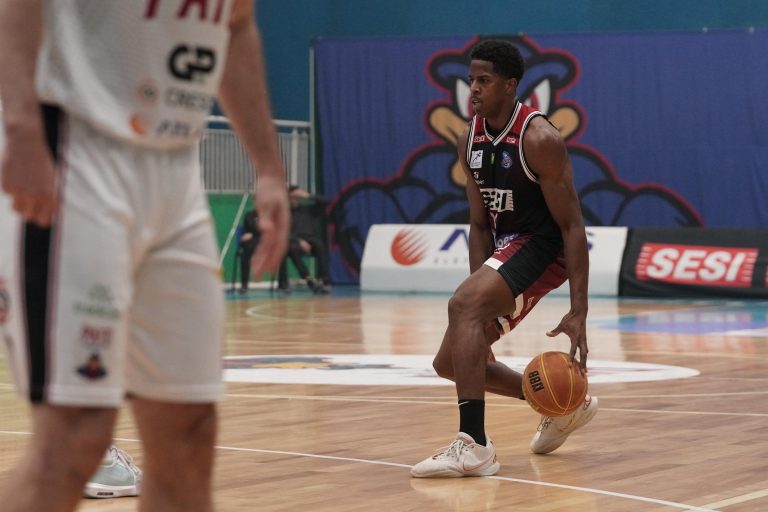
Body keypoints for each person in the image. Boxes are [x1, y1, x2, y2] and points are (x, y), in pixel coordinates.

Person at [0, 2, 289, 512]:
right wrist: (20, 123)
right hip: (75, 146)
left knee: (189, 435)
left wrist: (267, 167)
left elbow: (237, 24)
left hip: (177, 167)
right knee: (75, 438)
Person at [410, 39, 597, 478]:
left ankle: (474, 445)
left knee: (463, 306)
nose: (473, 89)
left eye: (484, 80)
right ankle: (563, 403)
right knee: (449, 363)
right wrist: (479, 288)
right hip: (504, 247)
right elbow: (479, 224)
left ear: (510, 85)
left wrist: (579, 310)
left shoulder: (539, 138)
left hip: (542, 247)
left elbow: (572, 226)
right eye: (470, 80)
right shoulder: (468, 139)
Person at [277, 185, 331, 293]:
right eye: (291, 197)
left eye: (295, 197)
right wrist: (299, 241)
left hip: (311, 239)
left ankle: (324, 280)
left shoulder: (307, 210)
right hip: (293, 241)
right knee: (290, 249)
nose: (293, 200)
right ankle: (307, 278)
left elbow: (327, 202)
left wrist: (308, 195)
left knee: (320, 245)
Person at [238, 208, 261, 293]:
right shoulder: (249, 216)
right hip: (252, 243)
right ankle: (244, 285)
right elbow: (246, 231)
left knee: (282, 251)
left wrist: (253, 235)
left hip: (266, 242)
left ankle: (283, 284)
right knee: (246, 253)